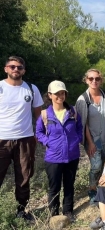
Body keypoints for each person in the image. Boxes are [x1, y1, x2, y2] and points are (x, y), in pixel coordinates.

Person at [0, 56, 43, 221]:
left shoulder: (31, 89)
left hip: (25, 139)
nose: (15, 69)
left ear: (24, 70)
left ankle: (21, 211)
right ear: (6, 69)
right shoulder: (0, 87)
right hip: (1, 139)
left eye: (19, 67)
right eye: (12, 66)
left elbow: (38, 113)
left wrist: (38, 133)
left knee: (24, 177)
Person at [36, 80, 82, 221]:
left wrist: (76, 140)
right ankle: (54, 214)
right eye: (56, 94)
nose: (60, 96)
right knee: (54, 188)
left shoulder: (72, 112)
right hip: (53, 157)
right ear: (50, 95)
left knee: (69, 185)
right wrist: (47, 141)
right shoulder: (45, 114)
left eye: (62, 93)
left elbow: (80, 128)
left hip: (72, 155)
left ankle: (68, 212)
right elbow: (38, 132)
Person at [75, 69, 105, 206]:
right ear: (86, 80)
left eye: (97, 79)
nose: (94, 81)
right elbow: (83, 124)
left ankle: (102, 190)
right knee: (96, 166)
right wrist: (90, 143)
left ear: (101, 80)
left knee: (104, 166)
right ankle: (92, 191)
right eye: (91, 78)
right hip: (93, 139)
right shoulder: (83, 100)